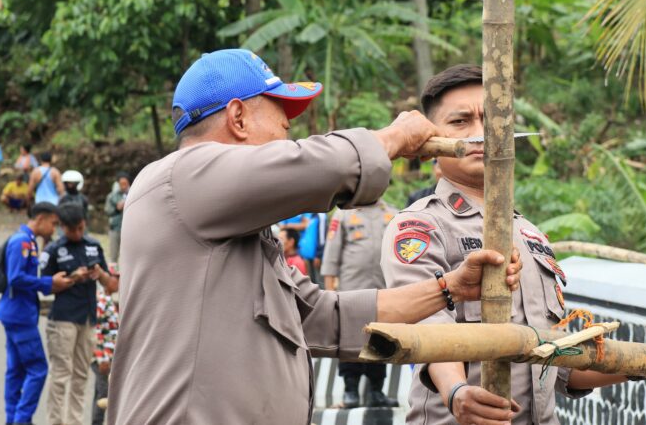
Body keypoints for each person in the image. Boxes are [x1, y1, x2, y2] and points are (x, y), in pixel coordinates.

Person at [106, 49, 522, 425]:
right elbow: (314, 166)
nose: (290, 126)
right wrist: (394, 138)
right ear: (237, 117)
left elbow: (326, 316)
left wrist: (449, 288)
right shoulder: (178, 178)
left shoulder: (244, 234)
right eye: (281, 111)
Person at [381, 64, 646, 425]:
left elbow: (559, 365)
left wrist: (645, 360)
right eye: (460, 122)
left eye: (491, 119)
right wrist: (457, 392)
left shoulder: (530, 234)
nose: (480, 133)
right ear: (430, 145)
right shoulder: (421, 226)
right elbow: (428, 323)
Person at [0, 202, 73, 425]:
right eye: (53, 223)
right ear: (40, 219)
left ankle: (13, 419)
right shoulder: (22, 242)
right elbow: (16, 278)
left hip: (15, 314)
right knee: (38, 369)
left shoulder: (28, 240)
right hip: (20, 316)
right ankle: (21, 419)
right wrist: (49, 283)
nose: (54, 229)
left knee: (16, 370)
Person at [40, 203, 117, 425]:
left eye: (81, 228)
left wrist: (99, 273)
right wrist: (73, 278)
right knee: (61, 376)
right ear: (62, 227)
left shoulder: (93, 245)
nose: (77, 233)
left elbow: (111, 285)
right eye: (72, 229)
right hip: (63, 318)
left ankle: (74, 421)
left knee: (81, 375)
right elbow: (45, 286)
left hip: (88, 319)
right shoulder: (54, 250)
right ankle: (56, 422)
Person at [321, 200, 399, 408]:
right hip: (351, 290)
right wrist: (329, 293)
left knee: (382, 338)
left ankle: (376, 391)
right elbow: (331, 254)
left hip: (384, 291)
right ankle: (350, 391)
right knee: (350, 339)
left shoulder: (393, 214)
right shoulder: (344, 214)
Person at [91, 264, 119, 425]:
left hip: (108, 357)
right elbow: (96, 329)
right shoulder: (101, 300)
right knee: (103, 395)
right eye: (117, 278)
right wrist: (102, 359)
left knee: (101, 393)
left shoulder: (109, 300)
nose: (119, 282)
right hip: (102, 358)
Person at [104, 172, 130, 264]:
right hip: (115, 228)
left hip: (129, 229)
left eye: (125, 184)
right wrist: (117, 208)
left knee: (128, 255)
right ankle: (113, 273)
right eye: (121, 184)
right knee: (113, 255)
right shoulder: (111, 196)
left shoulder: (133, 194)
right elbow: (107, 210)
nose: (123, 186)